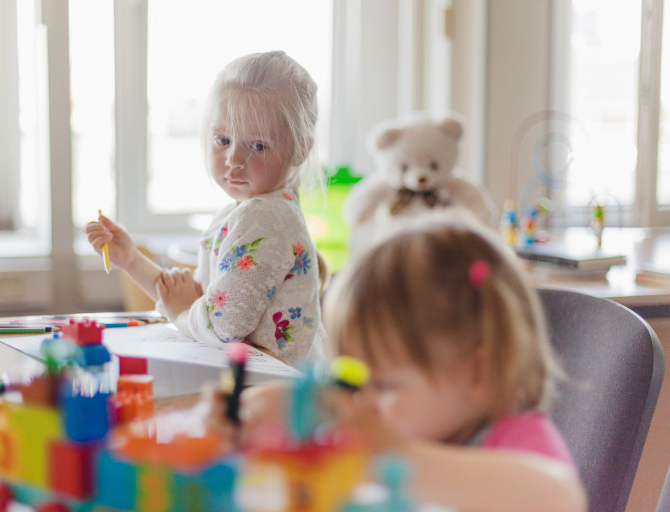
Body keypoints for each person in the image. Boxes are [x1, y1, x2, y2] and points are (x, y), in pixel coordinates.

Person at [205, 212, 586, 512]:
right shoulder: (401, 420)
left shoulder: (516, 441)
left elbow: (560, 498)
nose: (361, 402)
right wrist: (266, 412)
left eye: (385, 385)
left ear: (479, 373)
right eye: (352, 378)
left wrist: (393, 456)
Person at [85, 51, 323, 366]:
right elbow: (205, 300)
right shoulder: (241, 212)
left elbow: (221, 323)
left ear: (299, 148)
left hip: (272, 393)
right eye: (223, 140)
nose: (235, 159)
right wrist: (131, 260)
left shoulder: (265, 217)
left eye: (258, 145)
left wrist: (182, 314)